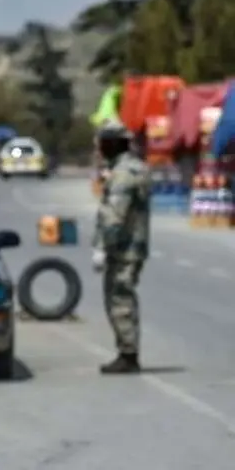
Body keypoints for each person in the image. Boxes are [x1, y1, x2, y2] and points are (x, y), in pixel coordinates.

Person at [91, 121, 150, 375]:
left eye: (104, 143)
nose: (101, 149)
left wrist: (102, 247)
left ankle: (128, 354)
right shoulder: (137, 168)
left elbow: (115, 215)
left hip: (122, 248)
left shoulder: (123, 174)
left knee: (119, 297)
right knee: (122, 296)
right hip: (134, 245)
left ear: (114, 144)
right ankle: (127, 350)